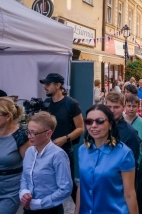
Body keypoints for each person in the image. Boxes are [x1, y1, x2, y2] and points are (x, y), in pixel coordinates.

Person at [75, 104, 138, 214]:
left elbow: (129, 194)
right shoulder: (82, 150)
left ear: (110, 125)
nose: (93, 125)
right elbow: (82, 186)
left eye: (99, 121)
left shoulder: (124, 153)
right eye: (89, 121)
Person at [40, 73, 84, 203]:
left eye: (48, 84)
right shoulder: (46, 103)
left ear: (58, 85)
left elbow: (81, 128)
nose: (45, 87)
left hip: (64, 150)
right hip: (47, 150)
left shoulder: (71, 103)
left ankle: (81, 209)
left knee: (69, 184)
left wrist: (65, 138)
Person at [20, 112, 72, 213]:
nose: (29, 136)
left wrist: (39, 203)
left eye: (34, 133)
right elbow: (24, 177)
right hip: (29, 207)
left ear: (48, 134)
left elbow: (65, 189)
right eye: (28, 132)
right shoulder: (29, 151)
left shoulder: (58, 155)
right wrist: (24, 192)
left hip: (49, 209)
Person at [105, 92, 141, 165]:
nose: (112, 111)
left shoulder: (131, 133)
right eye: (109, 107)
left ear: (123, 108)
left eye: (116, 107)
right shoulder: (100, 128)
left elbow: (132, 163)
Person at [125, 95, 142, 165]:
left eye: (134, 106)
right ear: (125, 106)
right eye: (129, 106)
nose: (131, 109)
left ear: (138, 107)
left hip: (137, 162)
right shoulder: (120, 121)